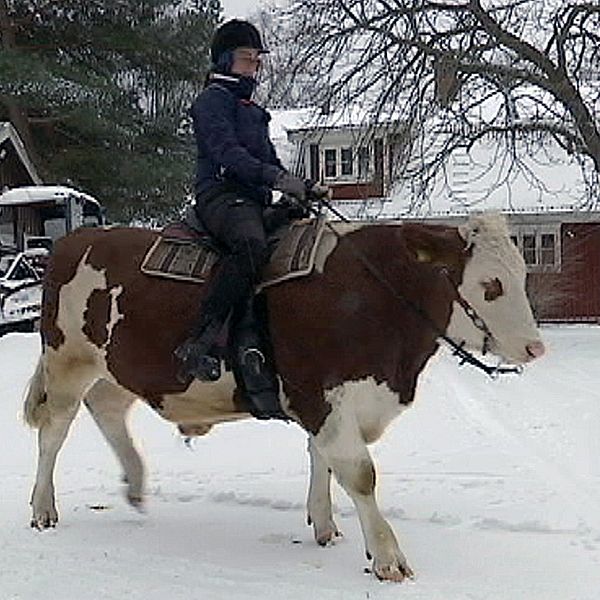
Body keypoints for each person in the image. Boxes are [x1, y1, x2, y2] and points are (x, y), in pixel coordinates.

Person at [175, 19, 326, 420]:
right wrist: (276, 179)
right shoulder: (211, 102)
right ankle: (201, 341)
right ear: (225, 60)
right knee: (250, 246)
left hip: (254, 198)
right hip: (220, 195)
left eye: (257, 61)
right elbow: (228, 155)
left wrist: (301, 187)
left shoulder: (254, 111)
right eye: (247, 59)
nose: (253, 68)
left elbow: (268, 162)